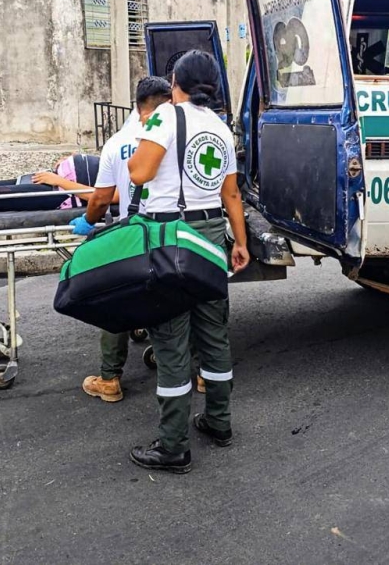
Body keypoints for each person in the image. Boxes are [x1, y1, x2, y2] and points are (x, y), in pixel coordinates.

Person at [125, 50, 250, 474]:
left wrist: (135, 149)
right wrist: (241, 243)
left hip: (170, 236)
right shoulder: (221, 128)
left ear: (176, 80)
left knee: (171, 338)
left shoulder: (164, 117)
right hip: (212, 233)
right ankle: (218, 422)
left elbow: (139, 173)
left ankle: (174, 445)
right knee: (213, 331)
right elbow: (231, 194)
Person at [71, 76, 173, 403]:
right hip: (169, 230)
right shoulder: (175, 137)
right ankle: (188, 370)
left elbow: (101, 199)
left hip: (131, 231)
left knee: (115, 299)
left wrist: (88, 223)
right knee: (169, 298)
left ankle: (110, 379)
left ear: (137, 105)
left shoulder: (117, 142)